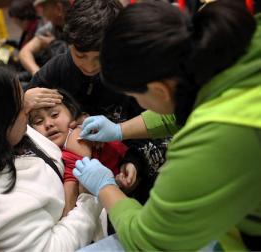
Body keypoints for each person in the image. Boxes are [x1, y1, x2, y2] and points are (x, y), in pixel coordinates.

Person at [73, 0, 261, 251]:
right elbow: (183, 102)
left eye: (136, 97)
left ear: (159, 90)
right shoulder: (238, 45)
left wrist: (104, 186)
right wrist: (120, 130)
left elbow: (148, 240)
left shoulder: (216, 135)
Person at [0, 61, 103, 251]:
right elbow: (54, 247)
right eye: (21, 107)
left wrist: (77, 125)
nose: (27, 109)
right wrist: (88, 198)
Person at [27, 0, 169, 204]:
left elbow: (159, 128)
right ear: (70, 44)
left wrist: (135, 162)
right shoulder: (57, 71)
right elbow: (19, 121)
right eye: (80, 55)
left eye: (100, 58)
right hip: (70, 180)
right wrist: (24, 101)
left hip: (131, 181)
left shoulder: (133, 70)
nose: (89, 66)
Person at [28, 89, 140, 216]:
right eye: (38, 121)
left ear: (72, 114)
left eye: (54, 115)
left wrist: (64, 218)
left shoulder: (75, 136)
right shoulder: (53, 147)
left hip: (132, 187)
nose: (48, 124)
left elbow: (72, 183)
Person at [19, 0, 70, 76]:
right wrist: (37, 73)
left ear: (59, 8)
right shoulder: (50, 27)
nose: (43, 14)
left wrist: (54, 44)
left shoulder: (78, 26)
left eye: (45, 8)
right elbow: (24, 52)